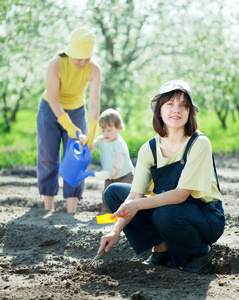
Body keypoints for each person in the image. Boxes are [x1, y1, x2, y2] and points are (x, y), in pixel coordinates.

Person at [97, 80, 225, 274]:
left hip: (205, 215)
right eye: (170, 104)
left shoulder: (199, 144)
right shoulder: (149, 148)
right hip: (169, 210)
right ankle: (162, 249)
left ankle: (199, 253)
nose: (177, 110)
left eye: (183, 105)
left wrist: (137, 205)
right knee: (114, 192)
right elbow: (134, 195)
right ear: (159, 110)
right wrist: (115, 230)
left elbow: (181, 195)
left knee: (164, 214)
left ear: (189, 112)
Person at [37, 27, 101, 213]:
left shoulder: (94, 69)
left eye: (86, 58)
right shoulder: (55, 64)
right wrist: (68, 125)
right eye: (78, 57)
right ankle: (48, 207)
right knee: (48, 157)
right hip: (50, 109)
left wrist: (92, 130)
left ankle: (71, 211)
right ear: (70, 51)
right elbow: (53, 98)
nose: (82, 62)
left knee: (77, 158)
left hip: (77, 110)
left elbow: (94, 102)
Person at [93, 108, 134, 212]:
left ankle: (126, 213)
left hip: (125, 176)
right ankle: (107, 214)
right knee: (105, 195)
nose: (106, 133)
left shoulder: (119, 143)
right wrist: (85, 140)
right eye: (103, 130)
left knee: (125, 196)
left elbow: (119, 160)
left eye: (109, 130)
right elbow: (91, 146)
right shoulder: (102, 141)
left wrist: (116, 168)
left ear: (119, 128)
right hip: (110, 176)